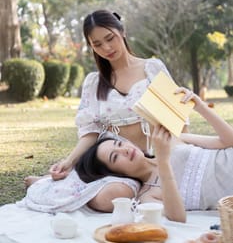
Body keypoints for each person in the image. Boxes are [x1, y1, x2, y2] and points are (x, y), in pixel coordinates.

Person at [22, 9, 176, 213]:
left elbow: (176, 119)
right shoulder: (94, 82)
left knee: (122, 195)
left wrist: (172, 155)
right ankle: (51, 182)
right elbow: (91, 132)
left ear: (122, 31)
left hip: (150, 160)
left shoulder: (152, 68)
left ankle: (53, 181)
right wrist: (69, 161)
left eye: (110, 38)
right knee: (111, 198)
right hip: (113, 164)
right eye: (97, 44)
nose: (106, 48)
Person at [75, 87, 233, 220]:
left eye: (119, 143)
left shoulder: (170, 140)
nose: (124, 150)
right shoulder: (148, 196)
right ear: (115, 173)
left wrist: (199, 106)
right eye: (115, 157)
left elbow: (228, 141)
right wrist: (163, 161)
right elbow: (178, 217)